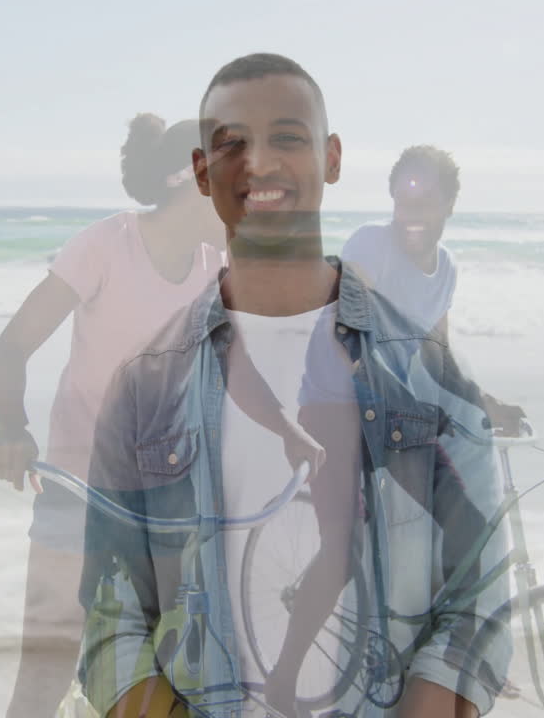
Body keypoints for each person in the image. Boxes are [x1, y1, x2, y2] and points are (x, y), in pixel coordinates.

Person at [78, 53, 512, 718]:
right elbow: (112, 620)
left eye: (288, 137)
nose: (260, 162)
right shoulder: (144, 384)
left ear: (331, 157)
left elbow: (479, 590)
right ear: (201, 171)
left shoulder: (427, 371)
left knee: (335, 550)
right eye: (231, 143)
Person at [0, 113, 227, 718]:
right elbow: (9, 350)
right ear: (194, 180)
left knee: (176, 682)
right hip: (79, 487)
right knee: (44, 675)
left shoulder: (215, 270)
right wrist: (12, 432)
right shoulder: (104, 247)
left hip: (166, 499)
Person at [341, 145, 526, 435]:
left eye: (425, 202)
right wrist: (409, 408)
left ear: (449, 205)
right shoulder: (371, 244)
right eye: (404, 202)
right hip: (336, 410)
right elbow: (346, 340)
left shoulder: (446, 268)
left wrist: (487, 404)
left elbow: (438, 361)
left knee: (453, 475)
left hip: (387, 421)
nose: (411, 214)